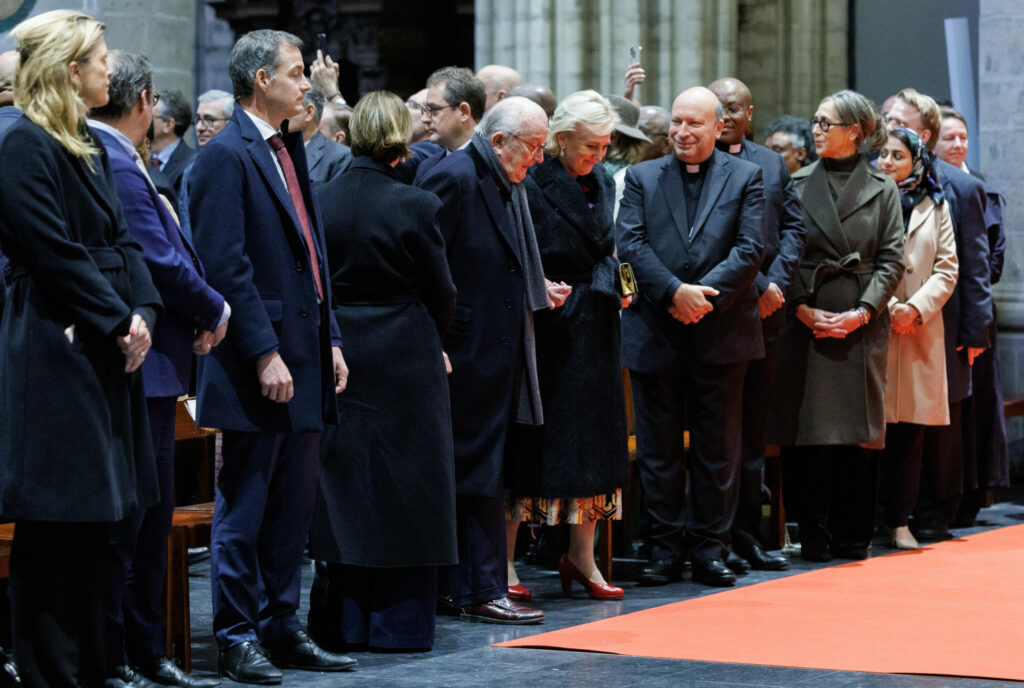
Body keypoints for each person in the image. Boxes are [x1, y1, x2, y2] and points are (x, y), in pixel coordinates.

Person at [0, 10, 163, 686]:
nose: (109, 68)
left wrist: (145, 311)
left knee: (102, 522)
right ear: (70, 67)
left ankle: (95, 668)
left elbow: (125, 241)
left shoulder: (89, 144)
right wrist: (117, 320)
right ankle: (51, 672)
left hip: (103, 346)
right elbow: (52, 251)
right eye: (99, 56)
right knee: (59, 524)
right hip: (56, 349)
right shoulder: (24, 144)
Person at [189, 29, 355, 683]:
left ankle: (283, 625)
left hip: (306, 355)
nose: (307, 82)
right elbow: (225, 267)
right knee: (247, 502)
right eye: (295, 72)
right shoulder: (223, 157)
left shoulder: (286, 148)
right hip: (256, 361)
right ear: (262, 79)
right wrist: (262, 352)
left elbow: (313, 258)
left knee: (294, 506)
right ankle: (236, 635)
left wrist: (332, 337)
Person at [88, 49, 228, 688]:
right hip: (137, 367)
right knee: (133, 523)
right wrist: (214, 307)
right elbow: (158, 260)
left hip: (156, 366)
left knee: (148, 519)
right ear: (145, 100)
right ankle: (122, 654)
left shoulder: (119, 154)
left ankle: (145, 649)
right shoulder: (113, 157)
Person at [307, 90, 458, 652]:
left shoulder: (321, 198)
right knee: (409, 488)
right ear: (401, 136)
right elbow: (442, 290)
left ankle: (341, 624)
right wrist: (434, 339)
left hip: (341, 348)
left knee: (345, 485)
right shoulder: (415, 204)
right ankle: (400, 625)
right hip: (406, 351)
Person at [416, 96, 567, 624]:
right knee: (473, 475)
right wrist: (439, 336)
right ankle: (477, 588)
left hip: (494, 351)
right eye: (533, 146)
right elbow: (424, 262)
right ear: (499, 140)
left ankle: (472, 586)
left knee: (486, 475)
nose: (540, 159)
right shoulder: (456, 178)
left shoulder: (505, 180)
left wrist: (532, 285)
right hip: (465, 353)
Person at [617, 86, 765, 588]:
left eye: (693, 123)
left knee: (717, 449)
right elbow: (630, 243)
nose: (681, 132)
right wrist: (675, 292)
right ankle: (662, 549)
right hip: (657, 327)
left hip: (721, 331)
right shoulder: (641, 177)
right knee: (658, 451)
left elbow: (750, 249)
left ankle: (709, 549)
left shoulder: (748, 176)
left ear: (718, 126)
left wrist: (703, 297)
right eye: (677, 122)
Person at [769, 90, 905, 562]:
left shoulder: (883, 187)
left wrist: (863, 311)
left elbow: (891, 260)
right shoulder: (797, 182)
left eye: (827, 123)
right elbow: (784, 253)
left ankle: (853, 534)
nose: (817, 130)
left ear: (855, 132)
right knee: (807, 431)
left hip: (860, 322)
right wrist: (803, 306)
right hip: (806, 319)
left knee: (858, 434)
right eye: (817, 120)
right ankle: (813, 534)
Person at [505, 90, 630, 602]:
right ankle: (505, 561)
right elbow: (516, 249)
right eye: (590, 146)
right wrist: (540, 287)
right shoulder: (532, 181)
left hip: (597, 321)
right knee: (535, 444)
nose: (599, 156)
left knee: (596, 444)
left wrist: (620, 287)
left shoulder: (601, 179)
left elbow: (608, 248)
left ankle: (582, 558)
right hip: (550, 321)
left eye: (604, 146)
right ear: (559, 141)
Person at [886, 89, 993, 542]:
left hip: (942, 326)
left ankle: (936, 511)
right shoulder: (883, 179)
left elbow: (974, 267)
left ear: (922, 133)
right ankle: (892, 512)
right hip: (891, 322)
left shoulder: (960, 187)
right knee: (897, 422)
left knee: (941, 425)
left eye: (897, 121)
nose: (887, 125)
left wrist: (973, 334)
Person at [708, 77, 806, 573]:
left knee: (752, 434)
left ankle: (747, 534)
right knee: (718, 437)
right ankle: (712, 537)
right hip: (726, 311)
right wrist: (759, 284)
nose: (722, 115)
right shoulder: (701, 163)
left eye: (730, 107)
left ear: (749, 112)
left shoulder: (770, 162)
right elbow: (718, 241)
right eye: (714, 106)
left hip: (768, 314)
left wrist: (778, 284)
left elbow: (793, 227)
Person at [876, 128, 957, 550]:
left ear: (916, 161)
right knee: (874, 432)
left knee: (910, 434)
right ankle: (868, 519)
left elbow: (948, 267)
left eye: (897, 156)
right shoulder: (869, 200)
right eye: (882, 155)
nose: (887, 162)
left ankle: (899, 520)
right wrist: (890, 308)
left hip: (920, 330)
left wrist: (915, 309)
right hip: (876, 326)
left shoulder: (936, 204)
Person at [934, 106, 1009, 526]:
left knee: (972, 409)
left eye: (963, 137)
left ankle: (969, 494)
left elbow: (991, 263)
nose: (959, 144)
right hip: (933, 315)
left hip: (971, 313)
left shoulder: (976, 189)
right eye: (950, 138)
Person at [286, 89, 352, 185]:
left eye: (288, 105)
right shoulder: (277, 147)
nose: (281, 112)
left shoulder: (342, 157)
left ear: (309, 112)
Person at [149, 90, 195, 202]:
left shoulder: (192, 164)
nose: (143, 119)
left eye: (150, 116)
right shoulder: (144, 157)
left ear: (169, 124)